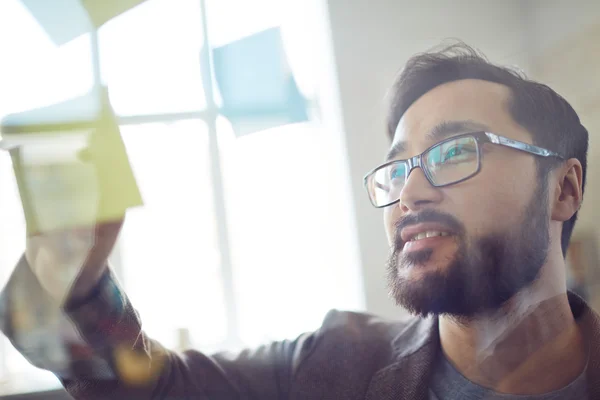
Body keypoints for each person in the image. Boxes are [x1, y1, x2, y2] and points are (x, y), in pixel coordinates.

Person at [0, 42, 597, 400]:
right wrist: (69, 279)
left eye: (453, 152)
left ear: (563, 189)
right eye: (398, 168)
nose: (410, 190)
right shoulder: (334, 366)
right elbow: (149, 390)